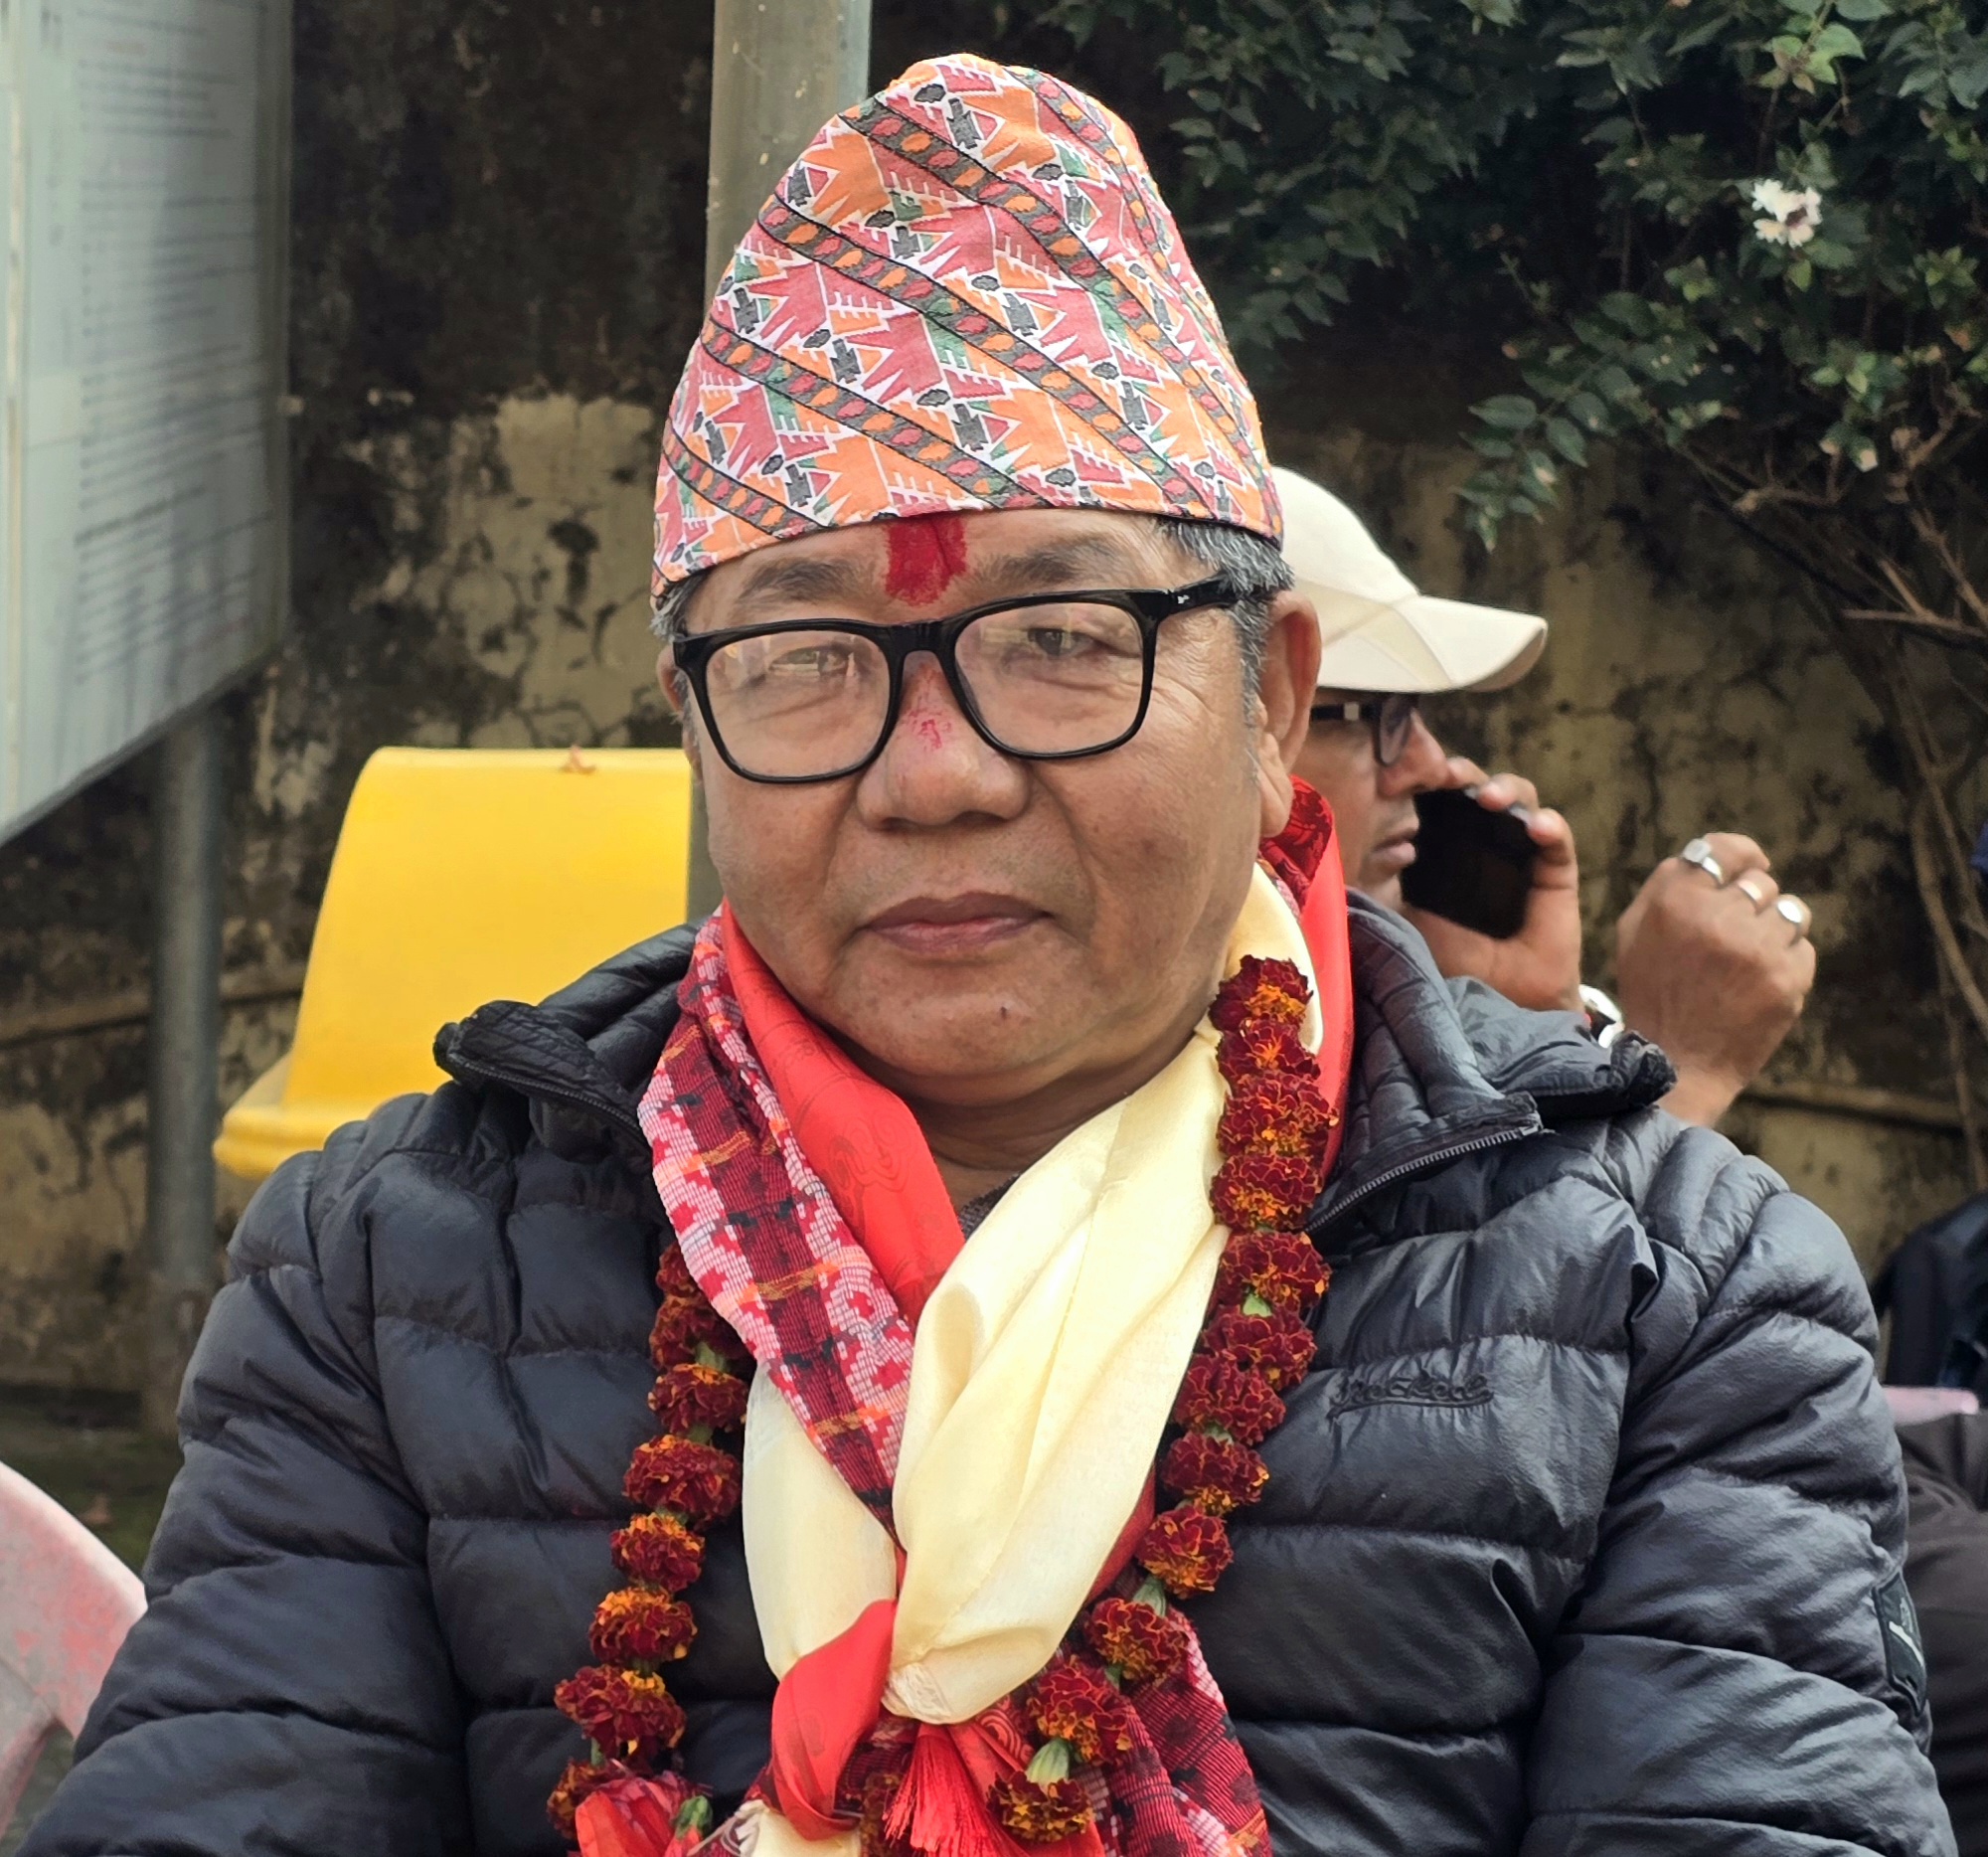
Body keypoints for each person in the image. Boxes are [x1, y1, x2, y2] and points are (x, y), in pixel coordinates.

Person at [27, 55, 1949, 1857]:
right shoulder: (394, 1275)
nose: (933, 774)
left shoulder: (1666, 1297)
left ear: (1275, 705)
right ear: (695, 727)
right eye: (804, 656)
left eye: (1062, 638)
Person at [1277, 465, 1816, 1127]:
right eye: (1380, 713)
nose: (1428, 763)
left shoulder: (1355, 1007)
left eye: (1414, 712)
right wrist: (1685, 1070)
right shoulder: (1234, 1043)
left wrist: (1530, 1018)